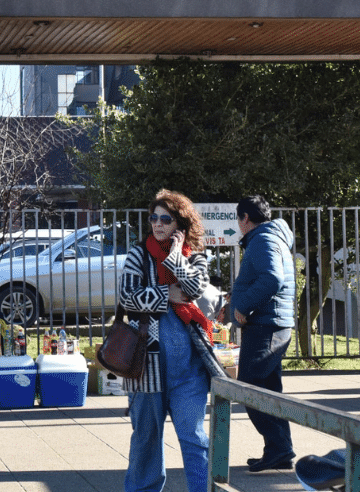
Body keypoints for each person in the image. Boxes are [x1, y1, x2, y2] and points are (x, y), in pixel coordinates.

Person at [119, 189, 222, 492]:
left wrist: (176, 258)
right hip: (145, 365)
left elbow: (193, 288)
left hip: (189, 368)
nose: (158, 223)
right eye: (154, 217)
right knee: (146, 440)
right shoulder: (139, 254)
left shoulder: (197, 257)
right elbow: (127, 297)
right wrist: (166, 295)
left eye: (166, 218)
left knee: (195, 439)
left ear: (180, 223)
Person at [231, 194, 297, 472]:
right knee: (269, 392)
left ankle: (279, 448)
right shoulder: (273, 236)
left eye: (238, 219)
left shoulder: (263, 239)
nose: (239, 224)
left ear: (245, 218)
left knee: (249, 388)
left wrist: (243, 306)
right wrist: (232, 305)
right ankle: (278, 450)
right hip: (273, 323)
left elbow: (272, 278)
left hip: (266, 326)